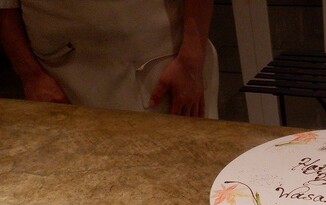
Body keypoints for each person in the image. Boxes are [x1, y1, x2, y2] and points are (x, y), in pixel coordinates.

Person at [0, 0, 218, 118]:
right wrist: (32, 77)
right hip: (59, 82)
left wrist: (191, 60)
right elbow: (5, 8)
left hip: (162, 69)